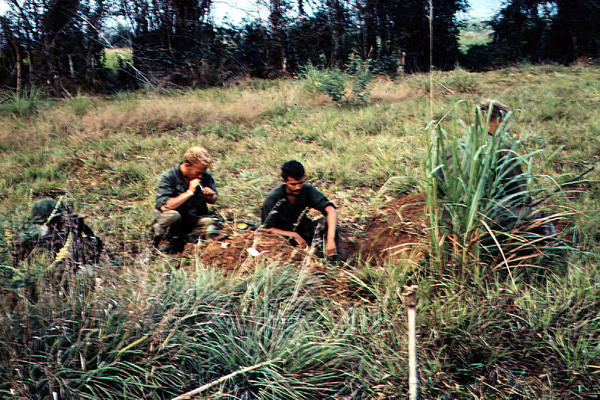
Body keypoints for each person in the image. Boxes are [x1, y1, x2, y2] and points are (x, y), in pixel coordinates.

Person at [261, 160, 340, 259]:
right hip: (283, 237)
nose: (298, 187)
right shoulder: (273, 197)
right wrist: (293, 235)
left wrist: (330, 239)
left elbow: (331, 210)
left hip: (304, 231)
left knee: (326, 223)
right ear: (284, 181)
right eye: (293, 184)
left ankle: (332, 261)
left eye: (301, 183)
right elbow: (266, 229)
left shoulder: (308, 190)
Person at [153, 146, 221, 253]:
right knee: (172, 216)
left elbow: (214, 199)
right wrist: (189, 192)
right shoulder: (168, 177)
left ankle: (196, 247)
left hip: (194, 221)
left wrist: (210, 196)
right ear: (187, 166)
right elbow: (165, 206)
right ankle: (156, 245)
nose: (200, 176)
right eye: (198, 172)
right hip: (174, 224)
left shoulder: (204, 176)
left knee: (210, 223)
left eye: (202, 173)